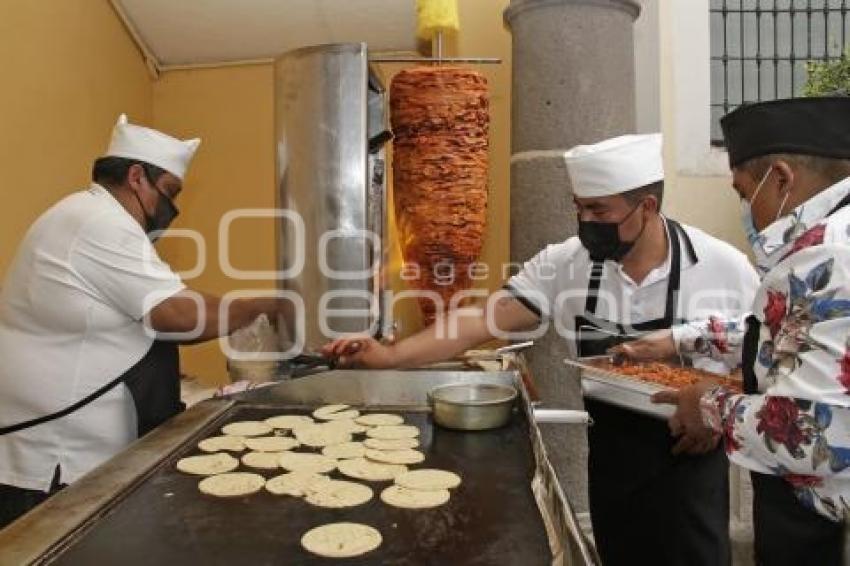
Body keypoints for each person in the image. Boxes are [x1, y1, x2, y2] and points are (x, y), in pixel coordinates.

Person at [323, 134, 760, 565]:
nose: (585, 220)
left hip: (690, 460)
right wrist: (389, 357)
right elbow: (480, 320)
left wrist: (715, 405)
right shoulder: (566, 263)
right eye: (579, 207)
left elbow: (764, 361)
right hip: (611, 458)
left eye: (599, 210)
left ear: (647, 207)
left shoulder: (722, 267)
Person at [0, 115, 281, 529]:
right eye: (169, 192)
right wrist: (272, 305)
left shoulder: (88, 217)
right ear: (136, 176)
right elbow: (179, 314)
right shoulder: (99, 222)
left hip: (75, 460)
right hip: (52, 465)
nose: (171, 209)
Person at [615, 97, 850, 566]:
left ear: (781, 178)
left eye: (745, 193)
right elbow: (791, 334)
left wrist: (707, 404)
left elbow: (821, 437)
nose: (747, 209)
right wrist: (681, 340)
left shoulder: (829, 255)